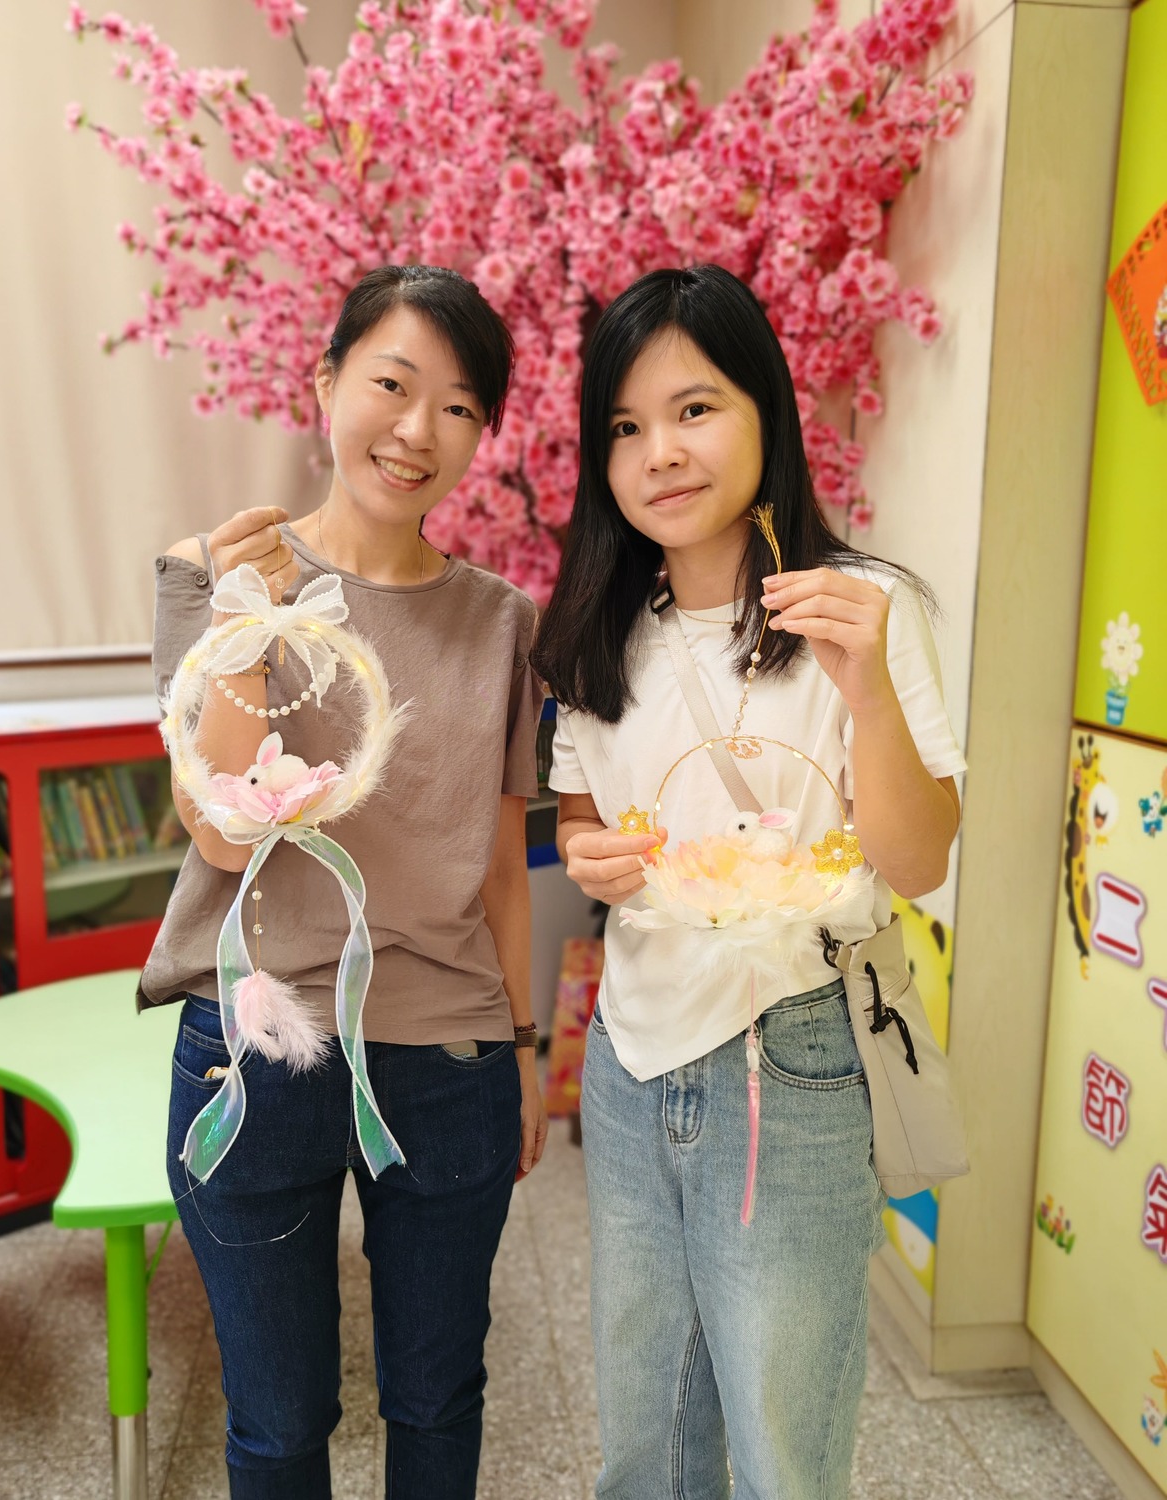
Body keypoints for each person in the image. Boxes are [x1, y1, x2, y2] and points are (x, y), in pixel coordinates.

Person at [532, 264, 966, 1499]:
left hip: (795, 1049)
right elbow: (584, 809)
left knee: (782, 1436)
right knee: (645, 1423)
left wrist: (866, 692)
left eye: (695, 409)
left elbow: (918, 860)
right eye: (626, 428)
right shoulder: (597, 629)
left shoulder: (865, 609)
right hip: (630, 1057)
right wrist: (587, 850)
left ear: (767, 409)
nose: (660, 453)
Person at [140, 264, 549, 1500]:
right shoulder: (217, 574)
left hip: (450, 1058)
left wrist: (525, 1046)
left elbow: (500, 861)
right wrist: (248, 622)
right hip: (258, 1052)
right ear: (326, 381)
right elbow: (225, 838)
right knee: (276, 1422)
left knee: (438, 1396)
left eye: (461, 407)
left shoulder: (501, 622)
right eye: (392, 384)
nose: (419, 430)